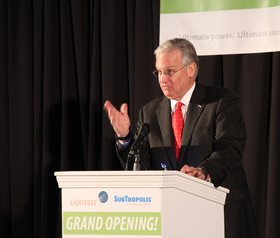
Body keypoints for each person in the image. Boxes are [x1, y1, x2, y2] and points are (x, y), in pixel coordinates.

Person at [104, 38, 258, 238]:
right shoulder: (149, 112)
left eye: (169, 71)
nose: (162, 79)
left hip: (218, 213)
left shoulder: (220, 101)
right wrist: (125, 138)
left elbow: (230, 148)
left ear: (191, 69)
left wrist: (204, 171)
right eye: (158, 72)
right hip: (173, 219)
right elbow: (141, 166)